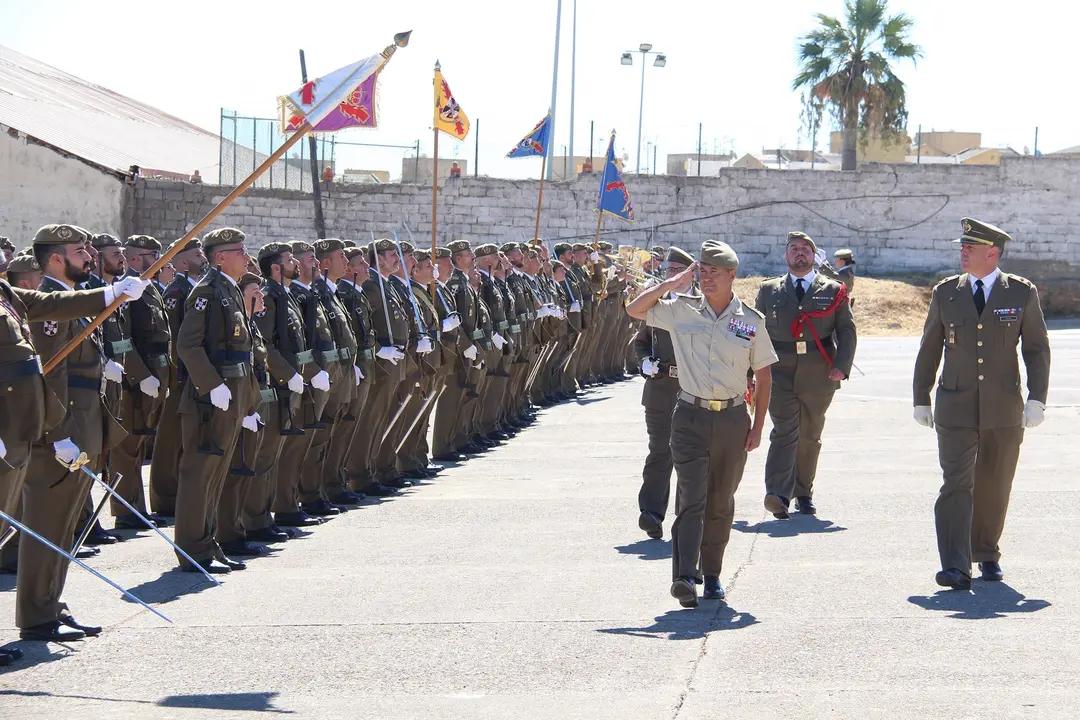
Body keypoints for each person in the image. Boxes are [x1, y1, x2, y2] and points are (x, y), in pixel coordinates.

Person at [627, 240, 776, 609]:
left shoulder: (749, 321)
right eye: (702, 271)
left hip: (731, 419)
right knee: (690, 497)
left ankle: (711, 574)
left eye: (714, 272)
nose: (706, 278)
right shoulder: (681, 309)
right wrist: (670, 284)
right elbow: (635, 309)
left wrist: (758, 427)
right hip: (690, 416)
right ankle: (683, 576)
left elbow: (764, 373)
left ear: (732, 276)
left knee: (720, 502)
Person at [20, 225, 148, 641]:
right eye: (80, 251)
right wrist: (57, 431)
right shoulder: (49, 303)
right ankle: (37, 614)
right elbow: (50, 372)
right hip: (64, 426)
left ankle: (50, 606)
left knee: (64, 527)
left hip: (84, 421)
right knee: (47, 524)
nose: (90, 255)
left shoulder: (69, 299)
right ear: (56, 259)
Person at [912, 218, 1051, 590]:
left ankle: (986, 552)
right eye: (962, 246)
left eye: (969, 248)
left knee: (994, 482)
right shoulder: (946, 293)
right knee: (955, 483)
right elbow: (929, 349)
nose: (962, 252)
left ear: (992, 253)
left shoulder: (1020, 293)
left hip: (1004, 406)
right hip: (954, 405)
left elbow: (1037, 350)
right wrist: (920, 398)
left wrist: (1037, 399)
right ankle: (956, 566)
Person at [173, 228, 260, 574]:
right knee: (199, 475)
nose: (246, 256)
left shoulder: (230, 290)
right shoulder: (207, 291)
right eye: (239, 250)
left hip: (232, 393)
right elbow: (187, 345)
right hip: (209, 400)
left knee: (216, 474)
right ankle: (193, 550)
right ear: (220, 256)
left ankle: (208, 545)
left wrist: (247, 398)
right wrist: (211, 385)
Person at [756, 232, 857, 518]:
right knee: (784, 431)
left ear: (814, 256)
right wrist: (751, 369)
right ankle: (777, 493)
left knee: (810, 435)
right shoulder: (768, 290)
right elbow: (756, 332)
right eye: (794, 249)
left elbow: (847, 330)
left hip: (819, 371)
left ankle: (803, 493)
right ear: (786, 256)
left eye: (805, 249)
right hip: (778, 370)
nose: (799, 253)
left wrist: (842, 365)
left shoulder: (833, 289)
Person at [110, 235, 172, 531]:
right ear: (136, 260)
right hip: (137, 380)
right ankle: (125, 510)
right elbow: (124, 340)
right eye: (153, 254)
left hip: (156, 374)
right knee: (128, 447)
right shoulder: (129, 290)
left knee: (139, 444)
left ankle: (137, 507)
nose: (159, 259)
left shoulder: (149, 288)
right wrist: (140, 375)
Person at [633, 246, 694, 541]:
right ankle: (652, 513)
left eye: (675, 272)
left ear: (688, 274)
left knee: (688, 455)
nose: (669, 277)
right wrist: (644, 361)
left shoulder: (702, 303)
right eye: (667, 271)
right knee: (660, 451)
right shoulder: (656, 304)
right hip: (659, 389)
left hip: (691, 389)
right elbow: (641, 341)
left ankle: (687, 518)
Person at [149, 237, 207, 517]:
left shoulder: (196, 287)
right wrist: (176, 374)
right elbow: (174, 336)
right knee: (170, 439)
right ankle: (164, 498)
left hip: (191, 374)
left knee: (185, 439)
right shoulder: (177, 290)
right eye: (196, 254)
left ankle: (177, 495)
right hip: (179, 375)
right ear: (182, 261)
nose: (202, 257)